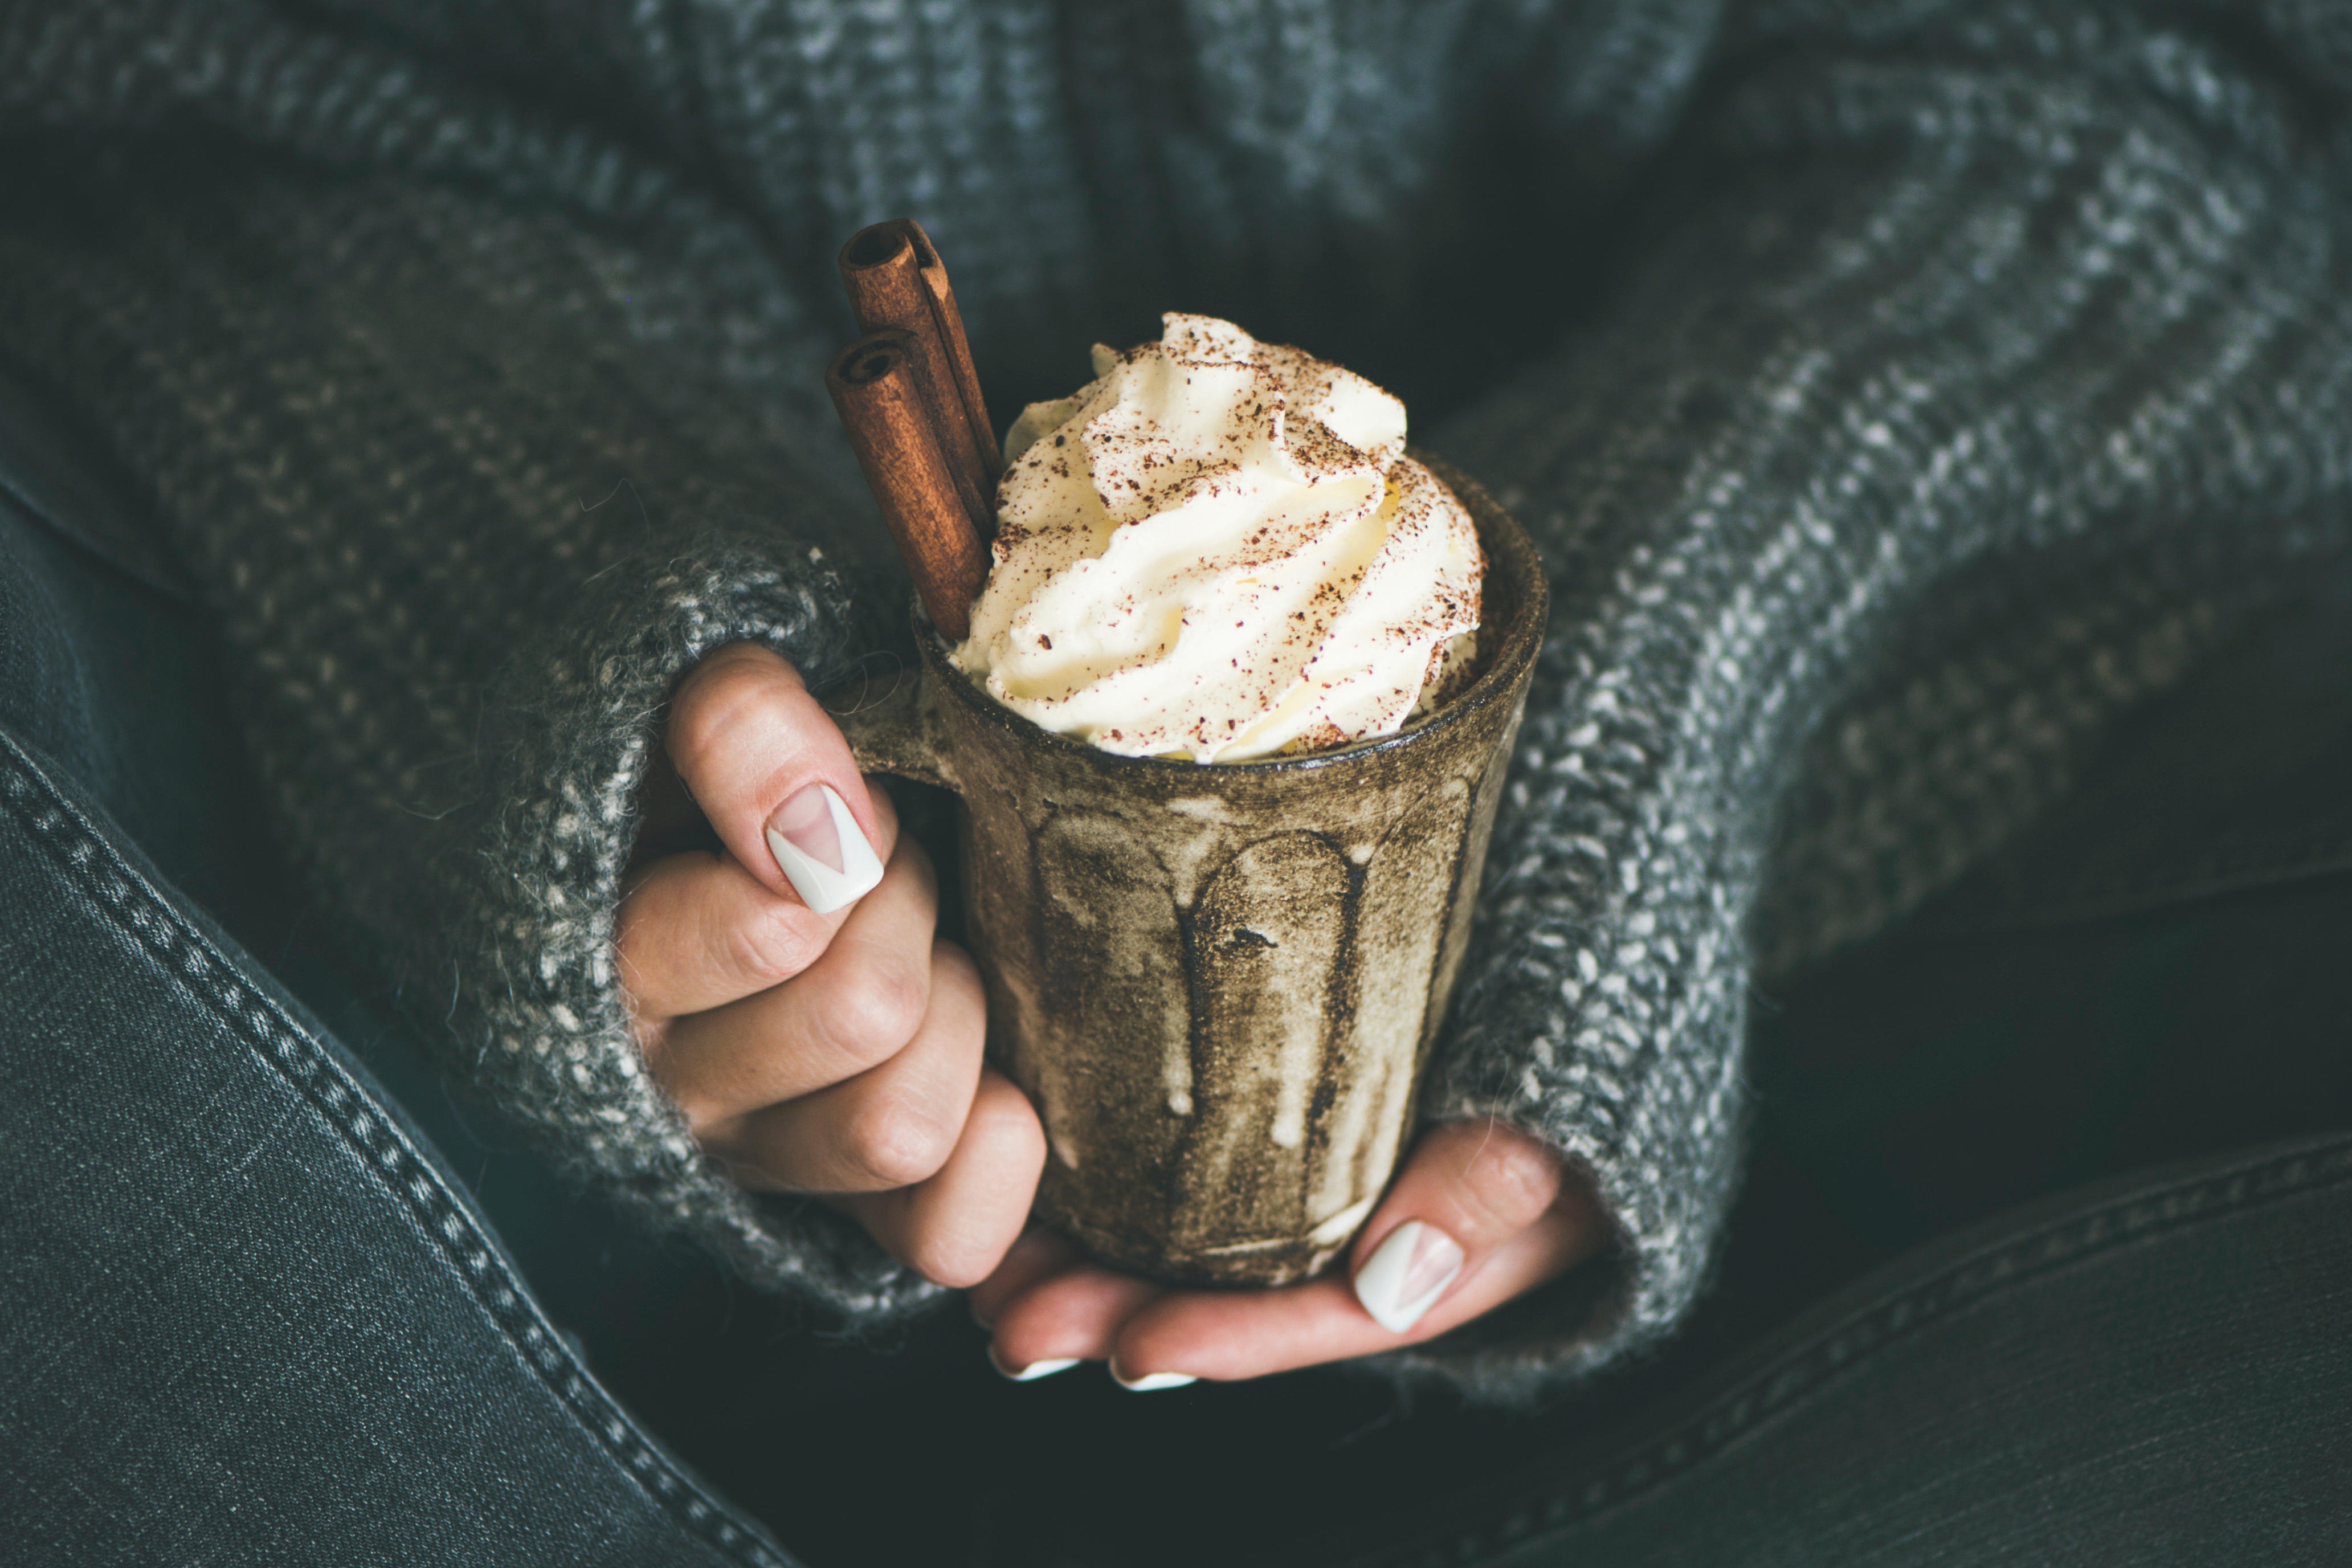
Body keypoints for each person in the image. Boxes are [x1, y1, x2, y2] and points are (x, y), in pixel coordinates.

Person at [3, 1, 2349, 1561]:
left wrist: (1639, 691)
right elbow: (167, 82)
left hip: (1876, 736)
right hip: (413, 627)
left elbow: (2174, 75)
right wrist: (588, 627)